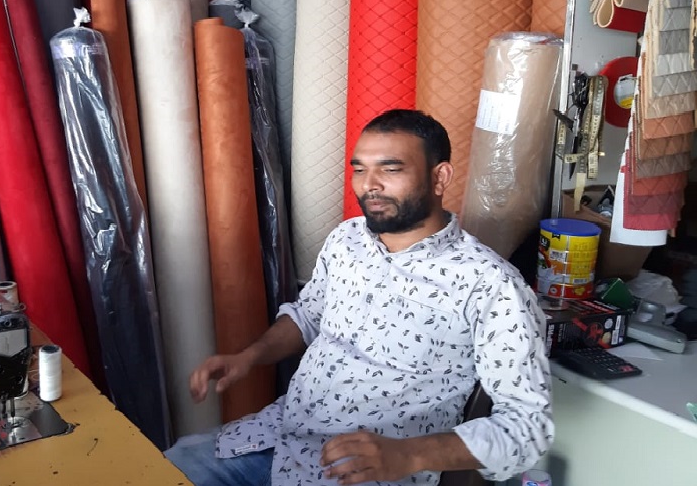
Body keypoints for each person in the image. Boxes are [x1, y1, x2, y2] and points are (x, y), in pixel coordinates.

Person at [165, 109, 553, 485]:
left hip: (369, 472)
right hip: (278, 436)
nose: (370, 184)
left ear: (440, 176)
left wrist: (409, 455)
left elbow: (527, 427)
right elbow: (308, 315)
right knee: (156, 469)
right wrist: (249, 357)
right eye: (359, 169)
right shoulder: (347, 239)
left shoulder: (489, 284)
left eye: (390, 169)